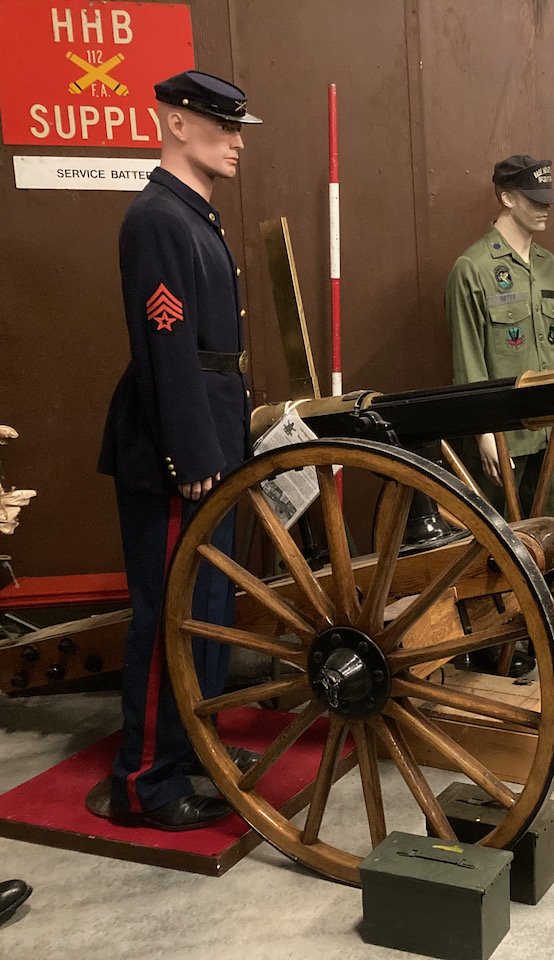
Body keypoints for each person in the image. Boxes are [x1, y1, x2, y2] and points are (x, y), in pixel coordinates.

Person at [97, 70, 261, 831]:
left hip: (212, 438)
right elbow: (166, 351)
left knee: (207, 607)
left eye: (238, 128)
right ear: (174, 124)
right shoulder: (159, 218)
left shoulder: (193, 215)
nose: (236, 141)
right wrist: (192, 455)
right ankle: (146, 783)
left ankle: (194, 745)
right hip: (179, 452)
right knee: (168, 614)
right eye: (224, 126)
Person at [446, 155, 554, 520]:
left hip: (552, 435)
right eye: (535, 201)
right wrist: (484, 433)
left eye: (547, 201)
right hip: (504, 436)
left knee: (552, 540)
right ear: (507, 199)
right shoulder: (472, 270)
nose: (545, 210)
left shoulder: (552, 269)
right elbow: (469, 362)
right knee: (495, 549)